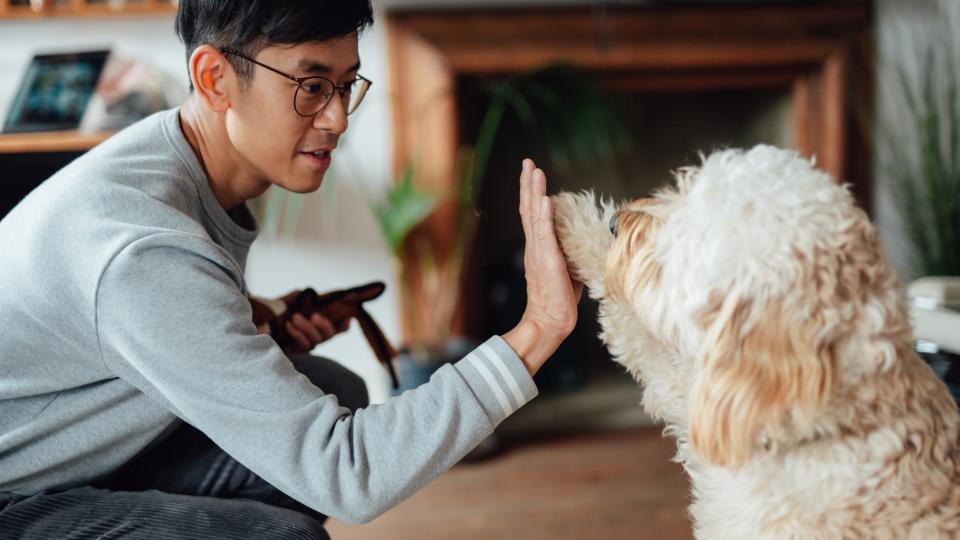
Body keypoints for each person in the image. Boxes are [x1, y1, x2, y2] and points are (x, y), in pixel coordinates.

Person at [0, 1, 582, 538]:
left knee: (336, 387)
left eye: (346, 85)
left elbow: (143, 332)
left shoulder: (175, 164)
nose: (337, 118)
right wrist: (540, 327)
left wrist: (264, 319)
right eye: (310, 86)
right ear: (214, 79)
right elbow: (349, 474)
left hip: (75, 453)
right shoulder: (143, 249)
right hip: (15, 496)